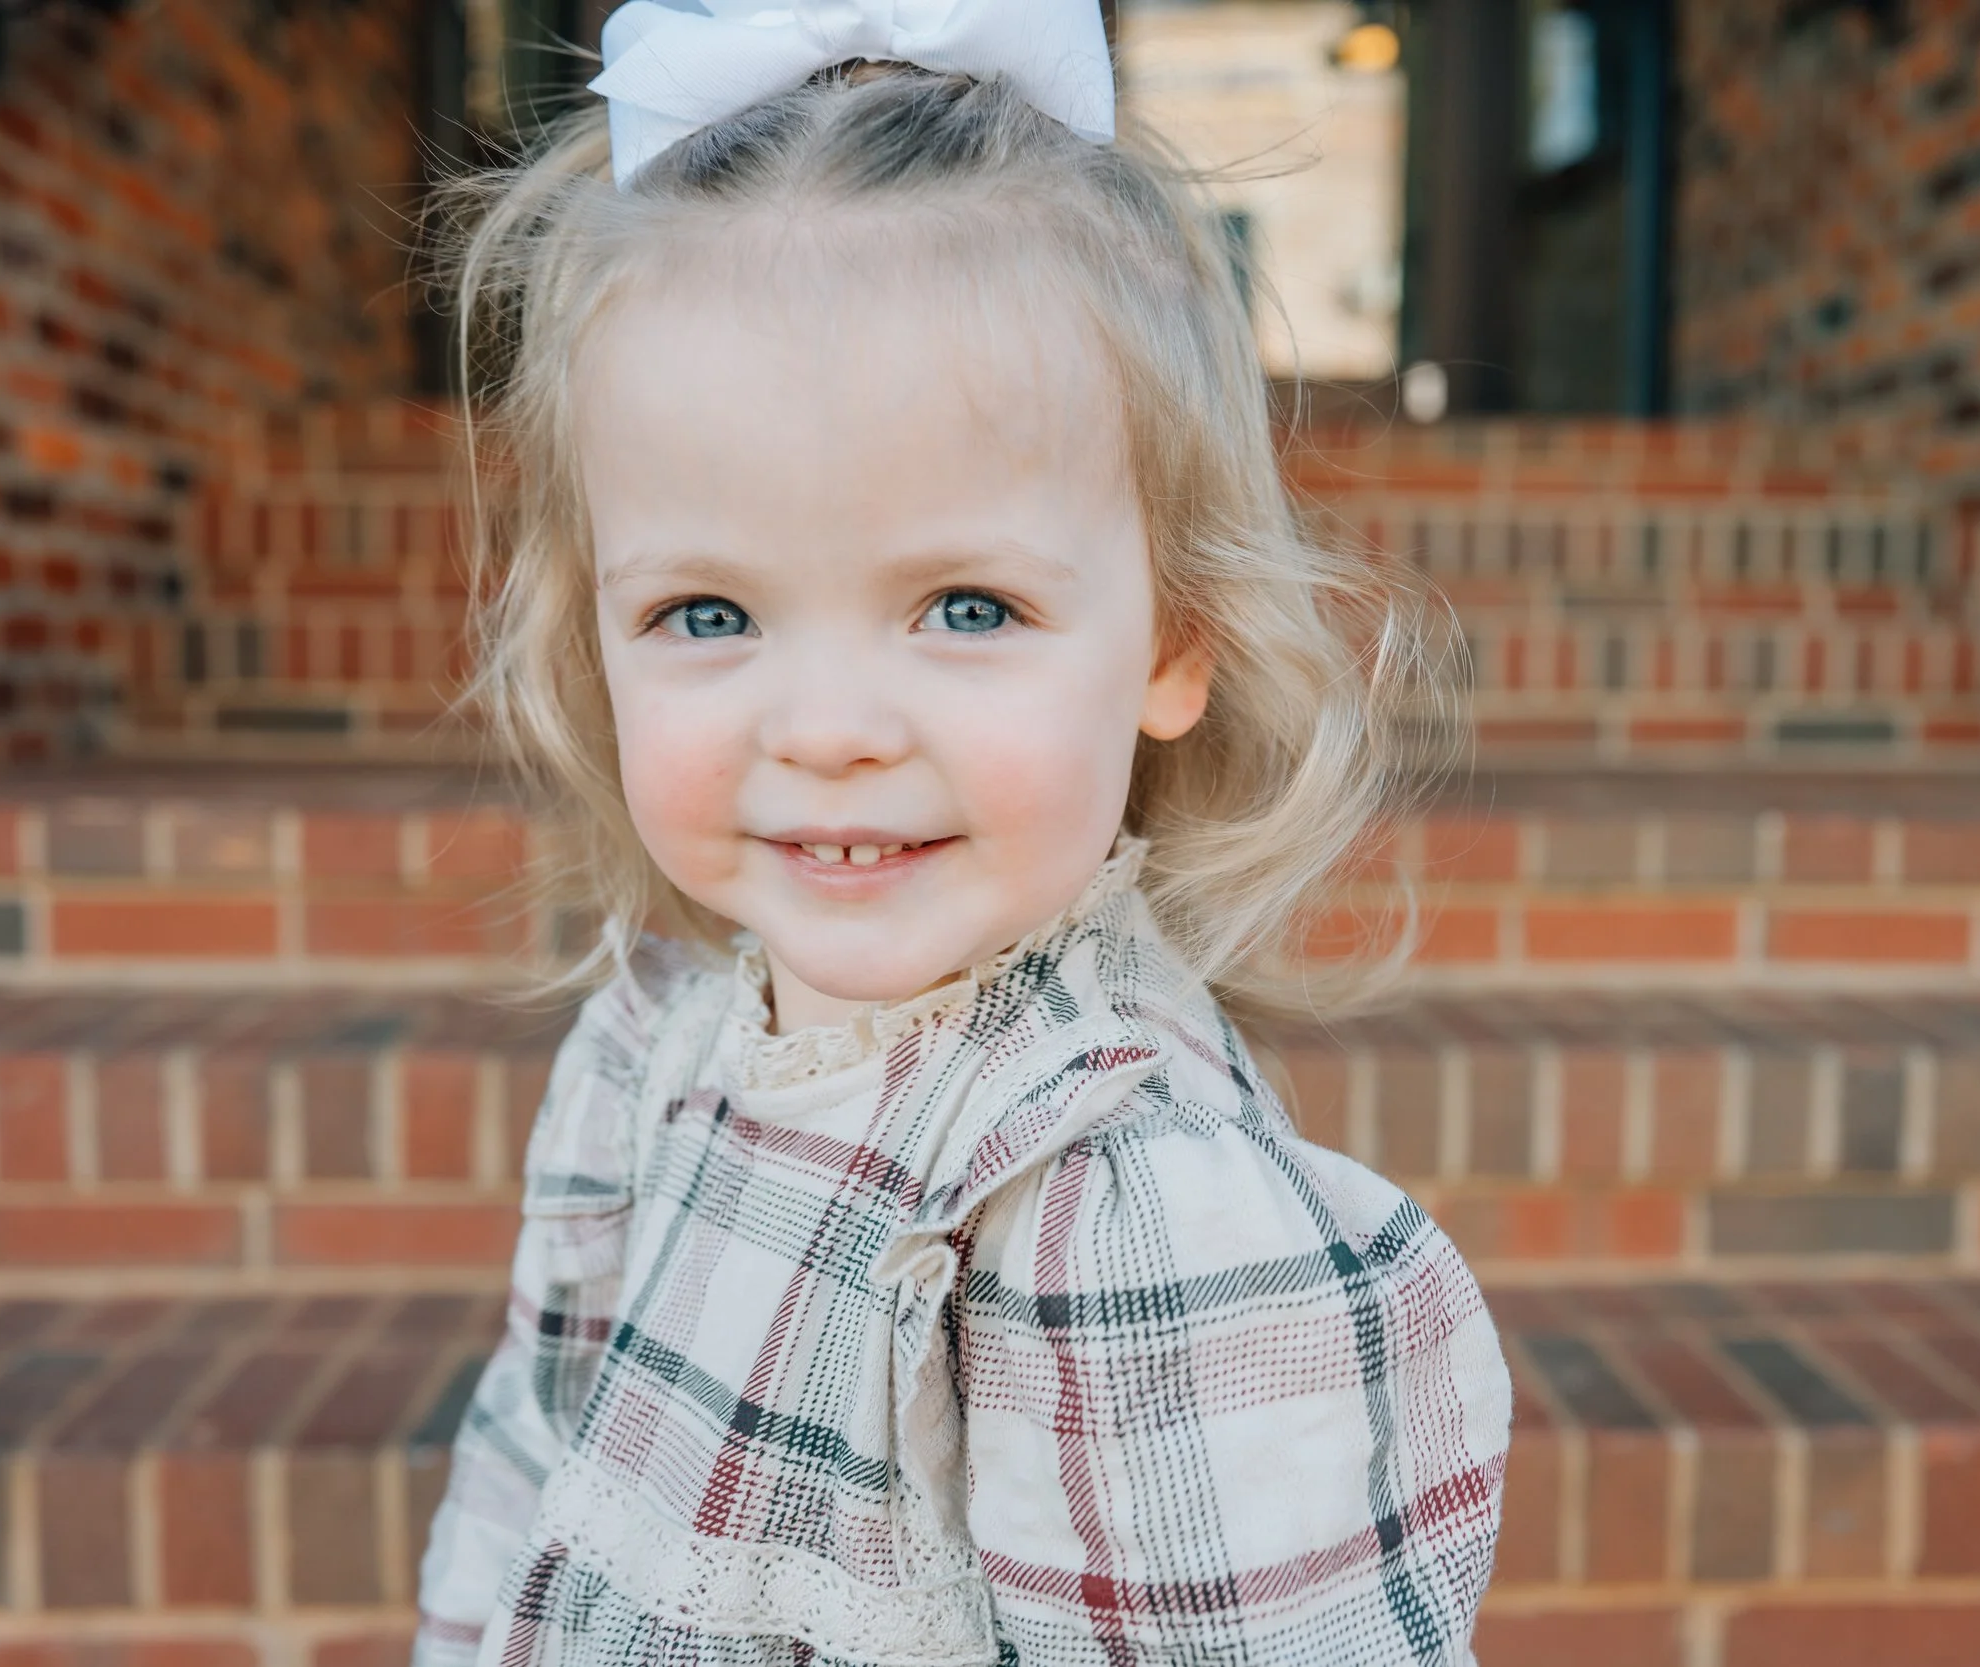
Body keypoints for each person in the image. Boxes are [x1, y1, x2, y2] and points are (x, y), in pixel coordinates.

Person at [412, 3, 1511, 1661]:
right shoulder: (652, 1050)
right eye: (708, 614)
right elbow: (524, 1480)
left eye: (967, 606)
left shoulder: (1110, 1212)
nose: (829, 727)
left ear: (1174, 640)